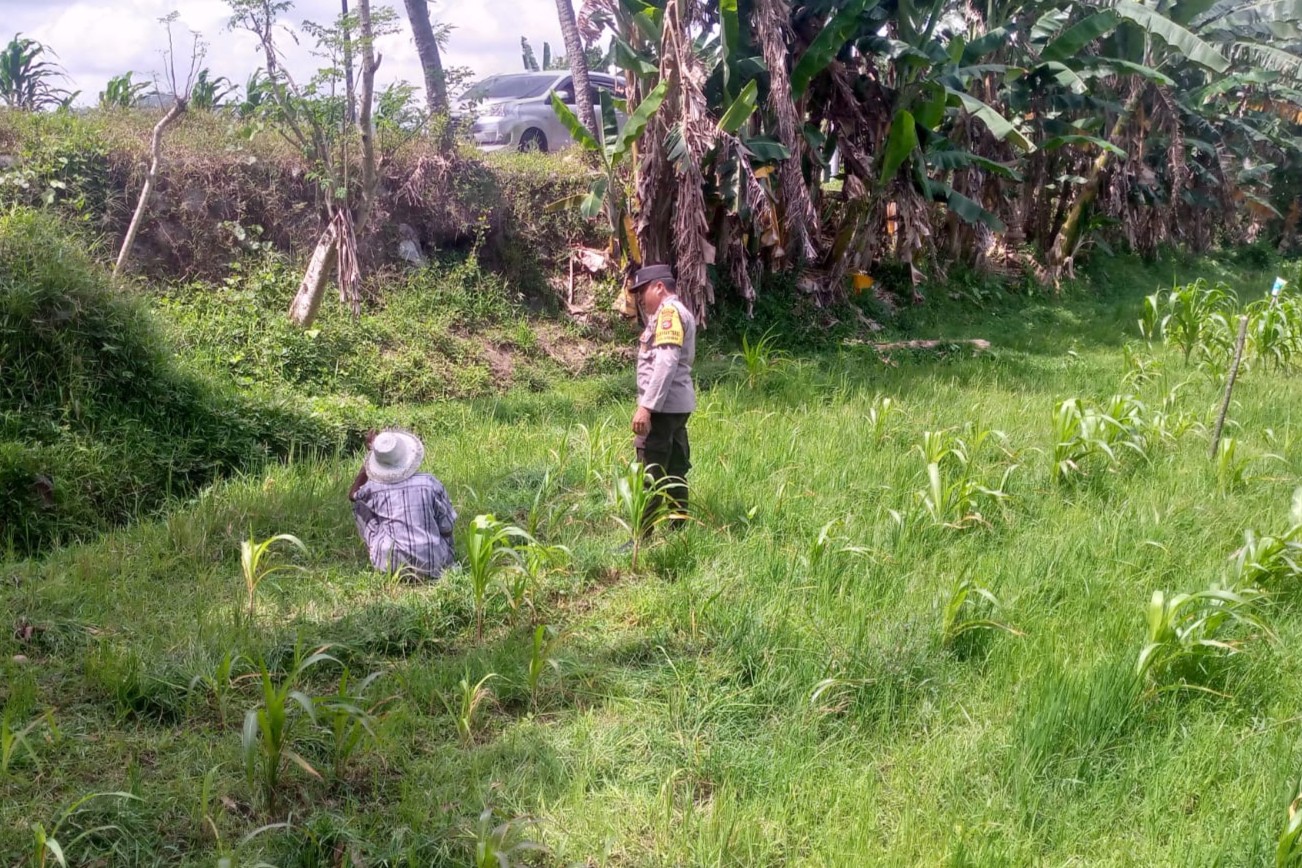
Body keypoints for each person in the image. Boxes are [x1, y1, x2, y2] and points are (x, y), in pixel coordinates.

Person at [629, 263, 697, 523]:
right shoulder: (679, 313)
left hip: (663, 408)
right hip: (677, 406)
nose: (639, 299)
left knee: (651, 469)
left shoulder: (668, 314)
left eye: (642, 291)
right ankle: (678, 526)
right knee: (676, 467)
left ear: (659, 287)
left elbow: (666, 363)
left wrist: (646, 407)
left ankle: (641, 535)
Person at [348, 428, 457, 578]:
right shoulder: (429, 482)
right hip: (434, 565)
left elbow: (353, 495)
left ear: (377, 463)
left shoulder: (373, 489)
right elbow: (447, 527)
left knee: (360, 505)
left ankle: (379, 552)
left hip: (390, 567)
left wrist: (370, 456)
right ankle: (434, 559)